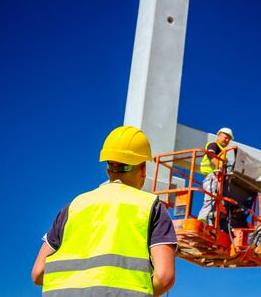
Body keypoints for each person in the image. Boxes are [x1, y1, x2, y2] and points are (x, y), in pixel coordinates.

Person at [31, 126, 177, 297]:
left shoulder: (73, 207)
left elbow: (38, 273)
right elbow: (164, 277)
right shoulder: (151, 206)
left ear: (108, 168)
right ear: (143, 168)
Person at [197, 127, 234, 225]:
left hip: (217, 178)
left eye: (228, 139)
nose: (226, 140)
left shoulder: (223, 152)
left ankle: (210, 223)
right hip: (212, 176)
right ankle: (202, 219)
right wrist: (219, 166)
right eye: (225, 137)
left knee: (216, 201)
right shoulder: (213, 145)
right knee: (210, 198)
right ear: (218, 136)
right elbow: (211, 156)